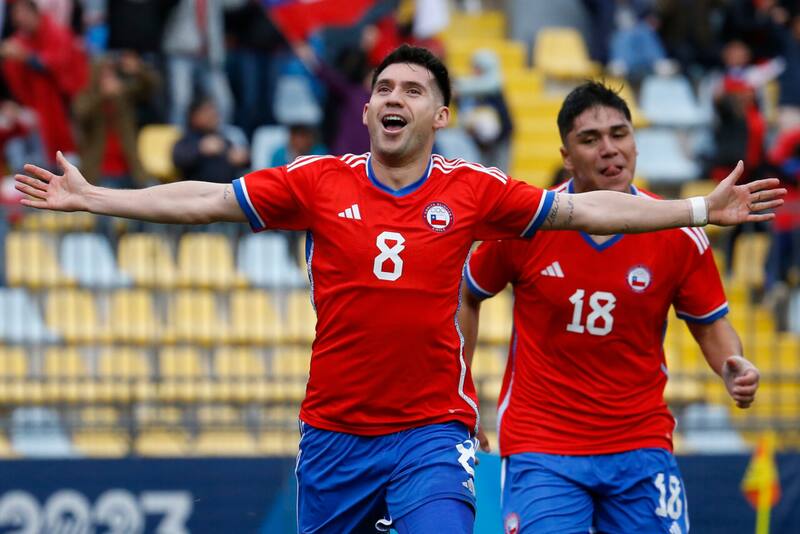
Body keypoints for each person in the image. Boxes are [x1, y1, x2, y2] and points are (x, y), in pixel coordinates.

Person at [15, 46, 784, 534]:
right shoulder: (319, 181)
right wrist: (98, 198)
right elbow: (209, 199)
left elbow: (581, 208)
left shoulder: (477, 191)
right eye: (385, 84)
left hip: (432, 433)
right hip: (334, 433)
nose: (395, 95)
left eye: (414, 88)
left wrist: (695, 209)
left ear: (439, 114)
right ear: (370, 105)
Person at [459, 81, 763, 534]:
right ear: (566, 155)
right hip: (543, 445)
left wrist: (731, 364)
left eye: (619, 134)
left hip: (640, 443)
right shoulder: (528, 222)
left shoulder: (680, 232)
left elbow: (711, 325)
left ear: (636, 142)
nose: (609, 149)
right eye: (590, 139)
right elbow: (466, 293)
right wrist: (460, 390)